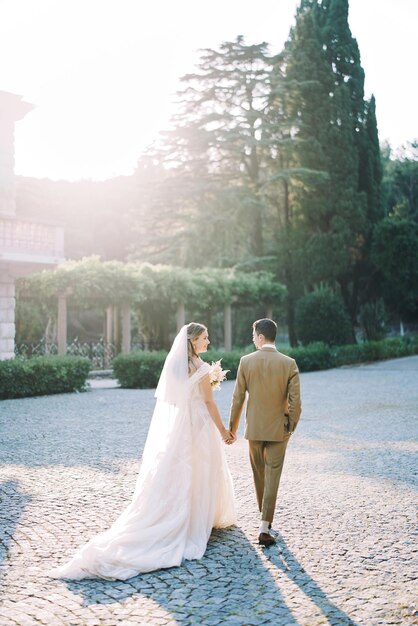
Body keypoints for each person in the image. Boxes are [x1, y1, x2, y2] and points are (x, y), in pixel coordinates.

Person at [50, 323, 236, 580]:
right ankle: (193, 519)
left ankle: (185, 512)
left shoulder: (177, 366)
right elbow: (208, 402)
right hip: (199, 425)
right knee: (201, 468)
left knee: (181, 470)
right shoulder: (202, 368)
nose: (209, 341)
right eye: (205, 338)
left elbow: (174, 398)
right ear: (193, 341)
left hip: (181, 426)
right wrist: (223, 430)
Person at [228, 318, 301, 547]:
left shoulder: (245, 362)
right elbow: (295, 402)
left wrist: (232, 428)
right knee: (273, 476)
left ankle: (264, 521)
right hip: (279, 429)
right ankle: (264, 525)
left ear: (261, 337)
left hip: (255, 429)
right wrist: (290, 425)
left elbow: (238, 398)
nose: (252, 340)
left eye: (253, 337)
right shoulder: (289, 363)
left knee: (259, 475)